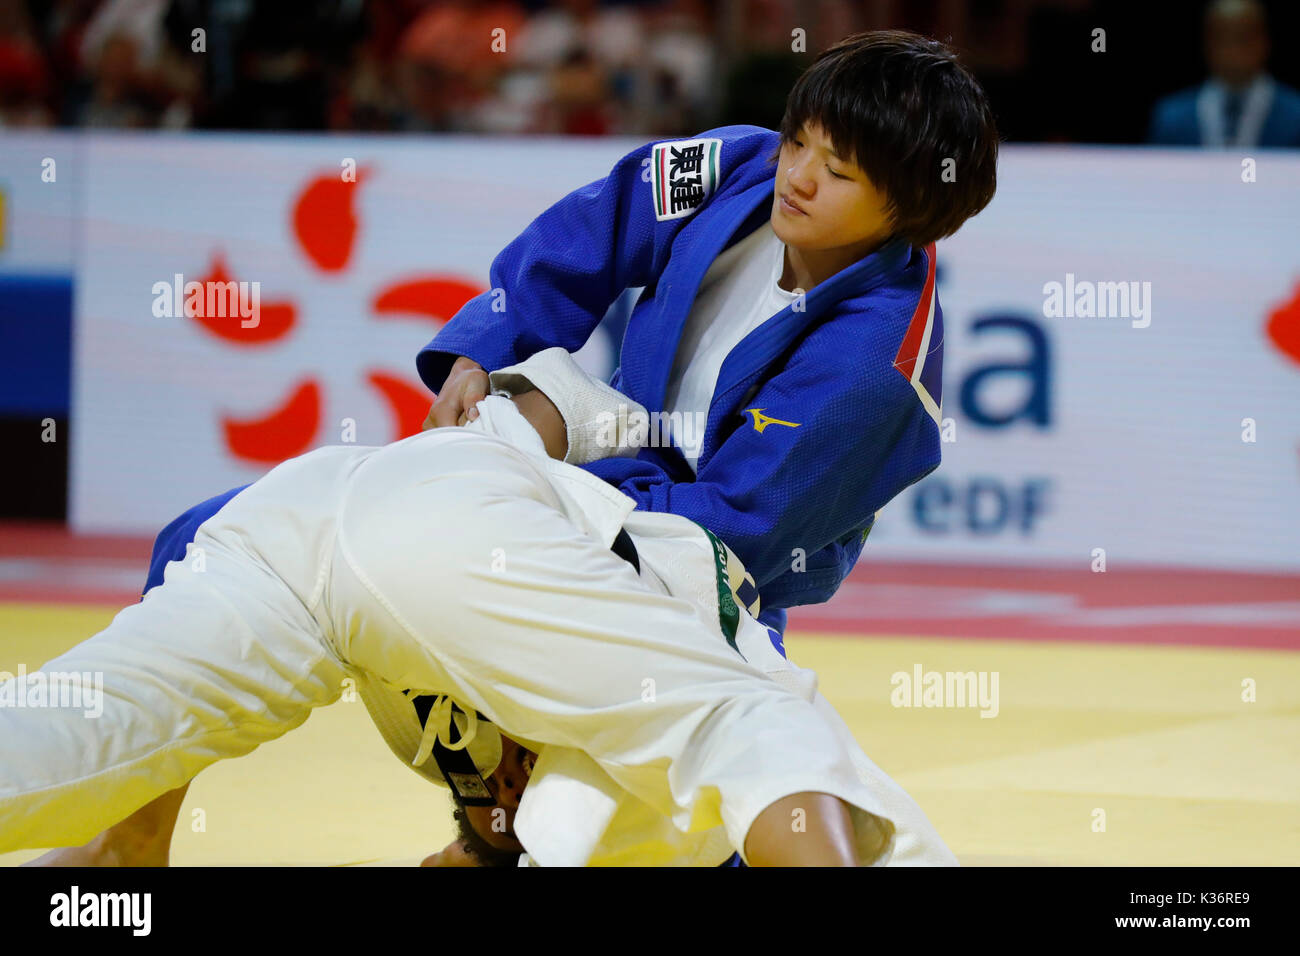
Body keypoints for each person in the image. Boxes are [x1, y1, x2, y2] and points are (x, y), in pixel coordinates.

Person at [3, 377, 956, 867]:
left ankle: (114, 850)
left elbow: (184, 538)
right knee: (741, 728)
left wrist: (134, 836)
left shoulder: (524, 759)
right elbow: (755, 739)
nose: (484, 812)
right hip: (446, 514)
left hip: (297, 528)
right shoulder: (688, 651)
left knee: (71, 736)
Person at [423, 30, 999, 649]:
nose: (797, 177)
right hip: (632, 452)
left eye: (836, 170)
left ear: (908, 210)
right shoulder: (735, 168)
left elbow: (734, 524)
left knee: (670, 717)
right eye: (797, 140)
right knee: (518, 416)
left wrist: (561, 510)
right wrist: (479, 354)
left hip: (717, 567)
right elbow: (594, 229)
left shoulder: (878, 360)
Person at [1148, 0, 1300, 148]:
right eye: (1222, 38)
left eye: (1243, 38)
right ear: (1207, 43)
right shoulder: (1172, 119)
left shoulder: (1295, 116)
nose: (1232, 50)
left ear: (1264, 41)